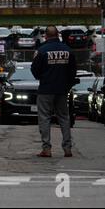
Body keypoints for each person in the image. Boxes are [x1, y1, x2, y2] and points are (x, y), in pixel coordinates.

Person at [31, 26, 77, 158]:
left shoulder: (41, 51)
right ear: (58, 35)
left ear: (46, 36)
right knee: (64, 118)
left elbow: (35, 70)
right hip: (62, 89)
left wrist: (43, 77)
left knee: (44, 118)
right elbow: (73, 71)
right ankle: (67, 148)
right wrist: (67, 83)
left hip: (46, 89)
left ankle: (47, 148)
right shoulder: (68, 51)